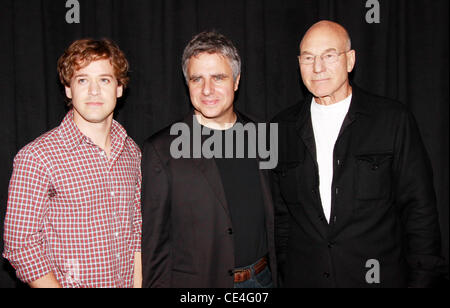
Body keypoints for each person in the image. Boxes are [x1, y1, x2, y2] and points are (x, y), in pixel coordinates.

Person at [272, 20, 443, 287]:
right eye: (308, 58)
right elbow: (282, 218)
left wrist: (422, 280)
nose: (317, 68)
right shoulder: (281, 128)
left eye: (329, 56)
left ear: (350, 60)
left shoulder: (392, 120)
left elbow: (419, 210)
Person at [141, 31, 277, 288]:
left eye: (218, 77)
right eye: (197, 79)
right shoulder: (162, 150)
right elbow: (154, 246)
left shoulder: (262, 135)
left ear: (236, 81)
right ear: (187, 84)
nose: (207, 89)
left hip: (263, 281)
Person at [3, 39, 142, 288]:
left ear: (119, 88)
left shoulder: (132, 153)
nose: (94, 91)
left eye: (104, 80)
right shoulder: (37, 157)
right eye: (82, 80)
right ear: (68, 89)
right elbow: (20, 245)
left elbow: (137, 232)